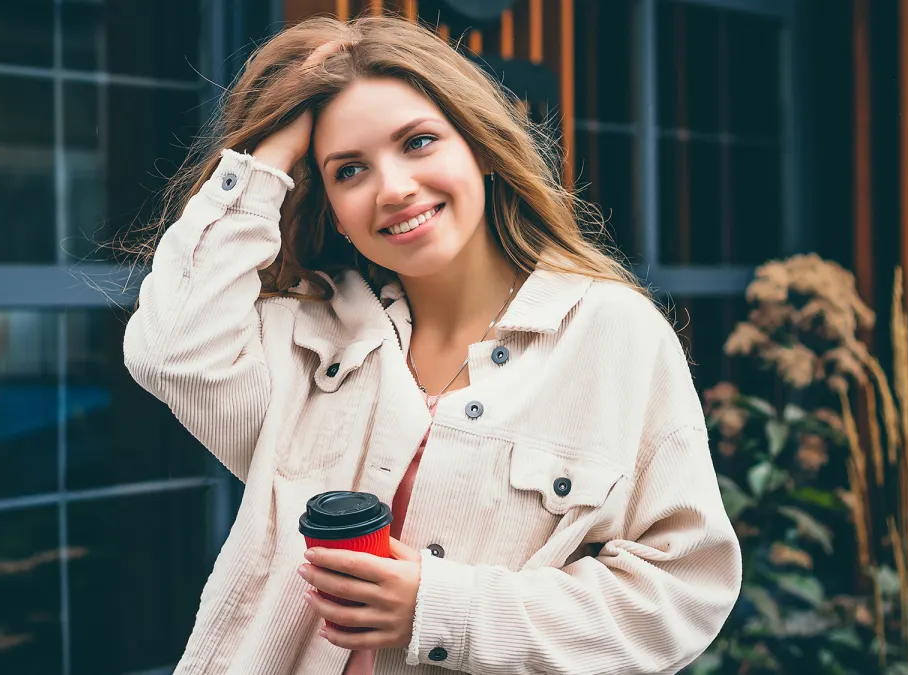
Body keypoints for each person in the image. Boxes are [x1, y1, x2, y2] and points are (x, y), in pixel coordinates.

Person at [124, 14, 741, 675]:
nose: (392, 188)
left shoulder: (615, 336)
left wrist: (442, 607)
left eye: (418, 142)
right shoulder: (307, 336)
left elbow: (681, 596)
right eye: (350, 169)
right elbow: (169, 350)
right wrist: (268, 154)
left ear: (478, 145)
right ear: (329, 202)